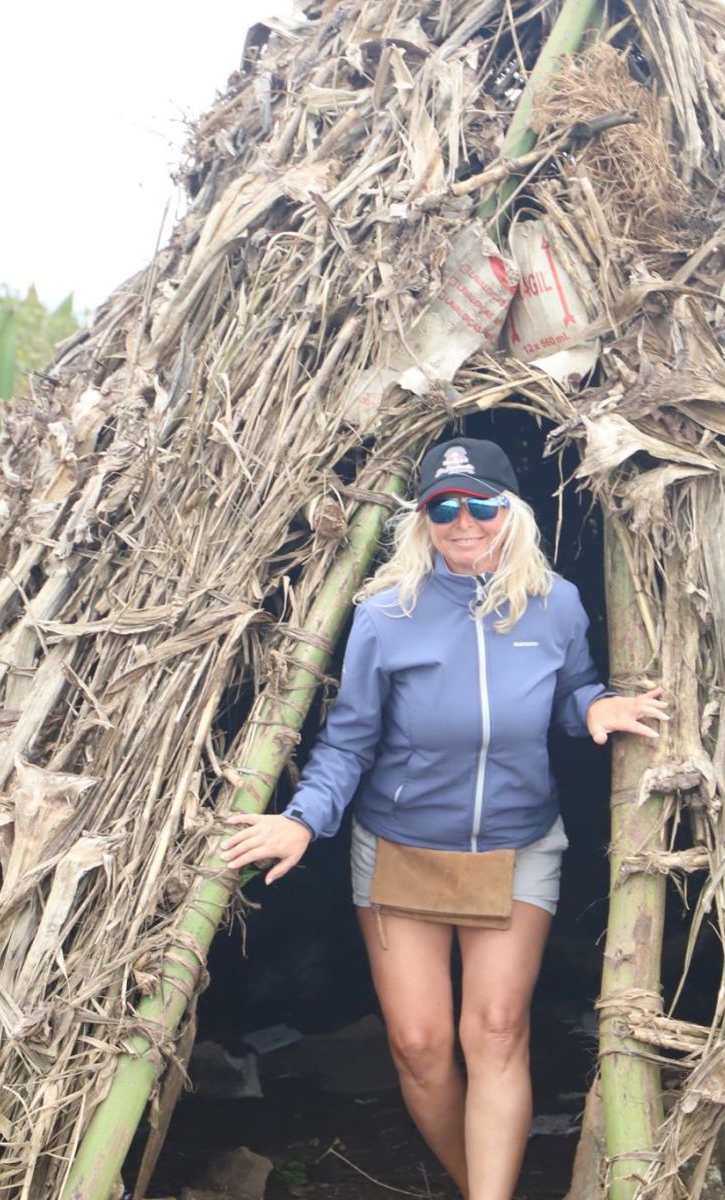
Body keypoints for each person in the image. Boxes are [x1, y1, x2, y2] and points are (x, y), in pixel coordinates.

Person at [223, 437, 667, 1200]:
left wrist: (595, 706)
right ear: (423, 518)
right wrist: (303, 819)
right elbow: (349, 740)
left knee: (494, 1030)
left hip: (517, 845)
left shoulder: (555, 602)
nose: (465, 522)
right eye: (444, 507)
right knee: (419, 1046)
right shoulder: (384, 615)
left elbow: (571, 689)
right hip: (400, 849)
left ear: (511, 511)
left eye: (481, 505)